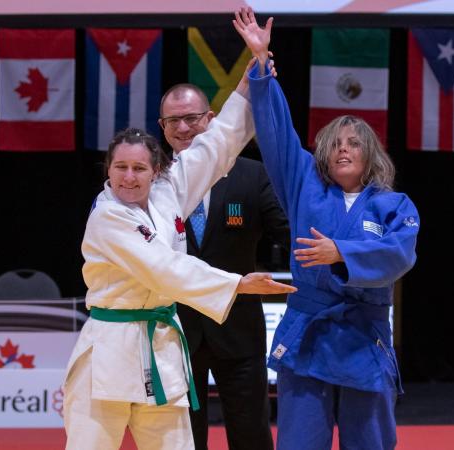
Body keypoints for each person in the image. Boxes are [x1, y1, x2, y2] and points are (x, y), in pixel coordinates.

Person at [63, 60, 294, 450]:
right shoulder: (108, 216)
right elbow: (163, 268)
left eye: (139, 167)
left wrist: (246, 84)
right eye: (120, 167)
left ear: (157, 171)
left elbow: (215, 146)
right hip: (110, 350)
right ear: (108, 169)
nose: (129, 176)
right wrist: (236, 283)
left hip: (163, 348)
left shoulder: (166, 192)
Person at [235, 8, 420, 450]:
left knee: (370, 443)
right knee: (299, 441)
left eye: (353, 143)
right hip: (309, 332)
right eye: (333, 143)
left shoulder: (393, 204)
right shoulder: (304, 185)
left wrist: (341, 253)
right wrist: (261, 64)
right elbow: (278, 133)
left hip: (364, 335)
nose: (342, 150)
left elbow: (399, 256)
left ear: (370, 152)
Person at [160, 82, 287, 450]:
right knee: (184, 440)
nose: (183, 128)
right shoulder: (153, 180)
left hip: (239, 330)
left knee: (251, 437)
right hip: (176, 334)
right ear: (162, 127)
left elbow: (289, 232)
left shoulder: (252, 174)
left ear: (211, 119)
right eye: (173, 121)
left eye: (191, 118)